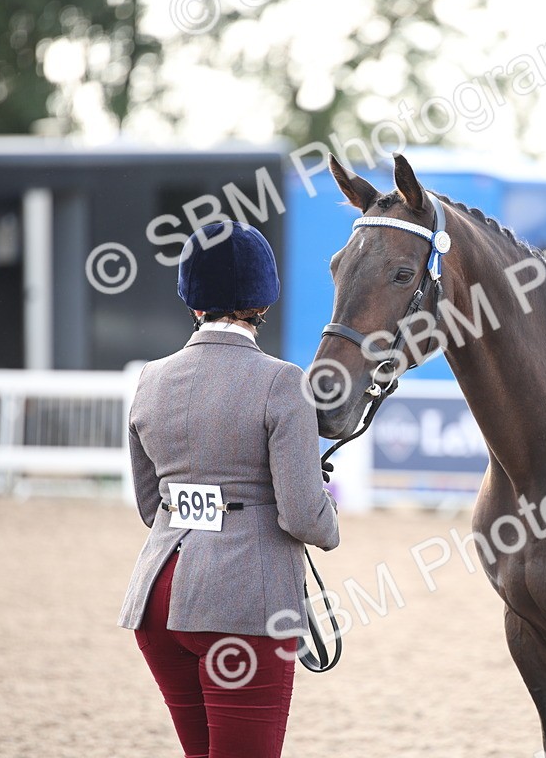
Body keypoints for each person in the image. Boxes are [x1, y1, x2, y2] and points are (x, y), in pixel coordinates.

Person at [117, 220, 339, 758]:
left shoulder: (151, 378)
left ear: (191, 298)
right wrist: (328, 521)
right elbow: (304, 516)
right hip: (243, 601)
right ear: (263, 300)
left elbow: (153, 505)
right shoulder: (282, 382)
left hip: (158, 597)